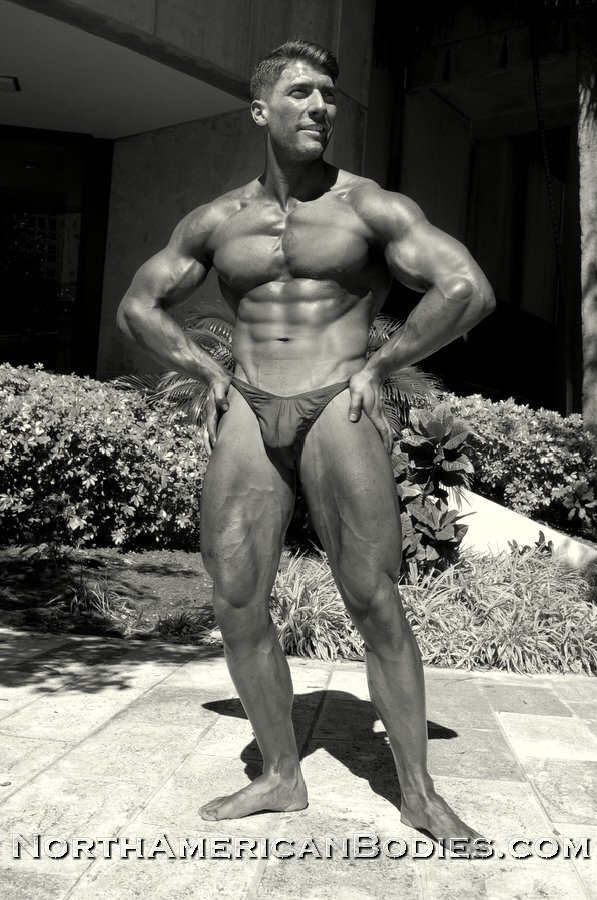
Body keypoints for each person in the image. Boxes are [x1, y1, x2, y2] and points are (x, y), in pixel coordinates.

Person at [117, 39, 495, 845]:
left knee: (372, 597)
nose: (321, 105)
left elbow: (466, 288)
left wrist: (380, 365)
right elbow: (138, 306)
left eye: (327, 92)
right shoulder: (218, 219)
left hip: (334, 403)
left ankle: (418, 792)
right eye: (301, 92)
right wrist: (205, 370)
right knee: (235, 598)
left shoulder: (368, 207)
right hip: (249, 403)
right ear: (261, 110)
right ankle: (281, 775)